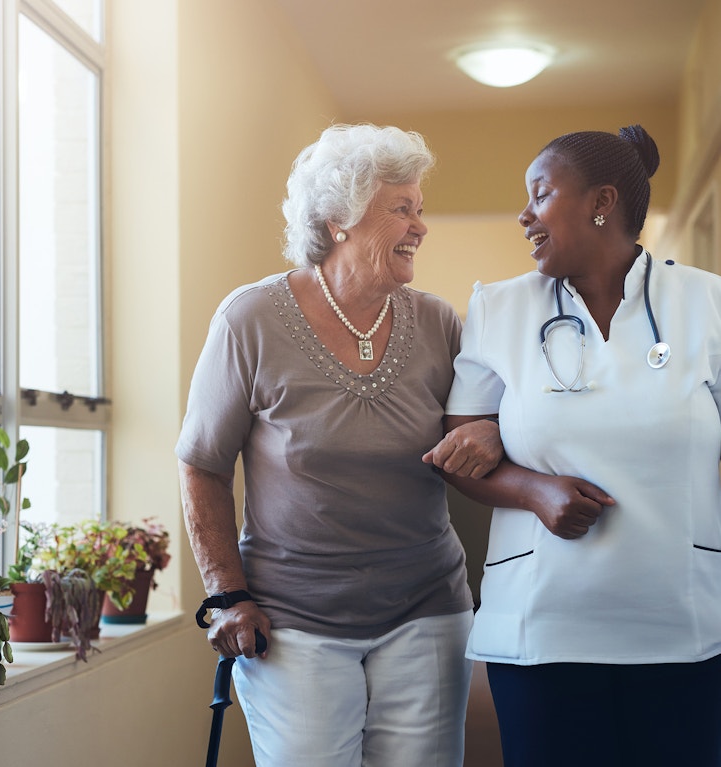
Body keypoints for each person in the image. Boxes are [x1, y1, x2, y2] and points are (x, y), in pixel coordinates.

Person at [176, 123, 503, 767]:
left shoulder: (438, 322)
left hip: (428, 609)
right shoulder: (251, 319)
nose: (421, 225)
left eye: (420, 207)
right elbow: (202, 465)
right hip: (293, 620)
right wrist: (227, 593)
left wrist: (487, 430)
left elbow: (480, 424)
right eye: (401, 208)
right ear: (338, 221)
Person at [424, 124, 721, 767]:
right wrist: (534, 490)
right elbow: (457, 451)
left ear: (601, 201)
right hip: (543, 628)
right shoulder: (498, 308)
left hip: (683, 624)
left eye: (540, 194)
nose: (524, 215)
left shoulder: (707, 302)